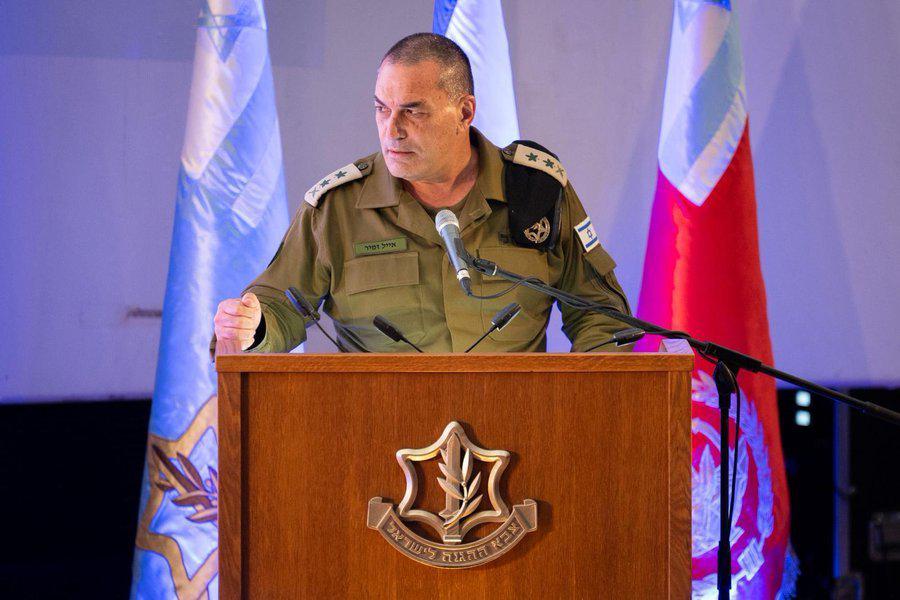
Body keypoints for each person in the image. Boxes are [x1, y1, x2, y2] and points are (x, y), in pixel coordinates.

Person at [213, 33, 631, 354]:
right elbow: (279, 307)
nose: (392, 130)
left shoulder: (537, 191)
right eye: (382, 109)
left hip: (516, 428)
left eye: (412, 111)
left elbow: (603, 315)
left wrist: (576, 402)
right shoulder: (336, 208)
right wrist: (253, 326)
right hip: (380, 428)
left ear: (464, 111)